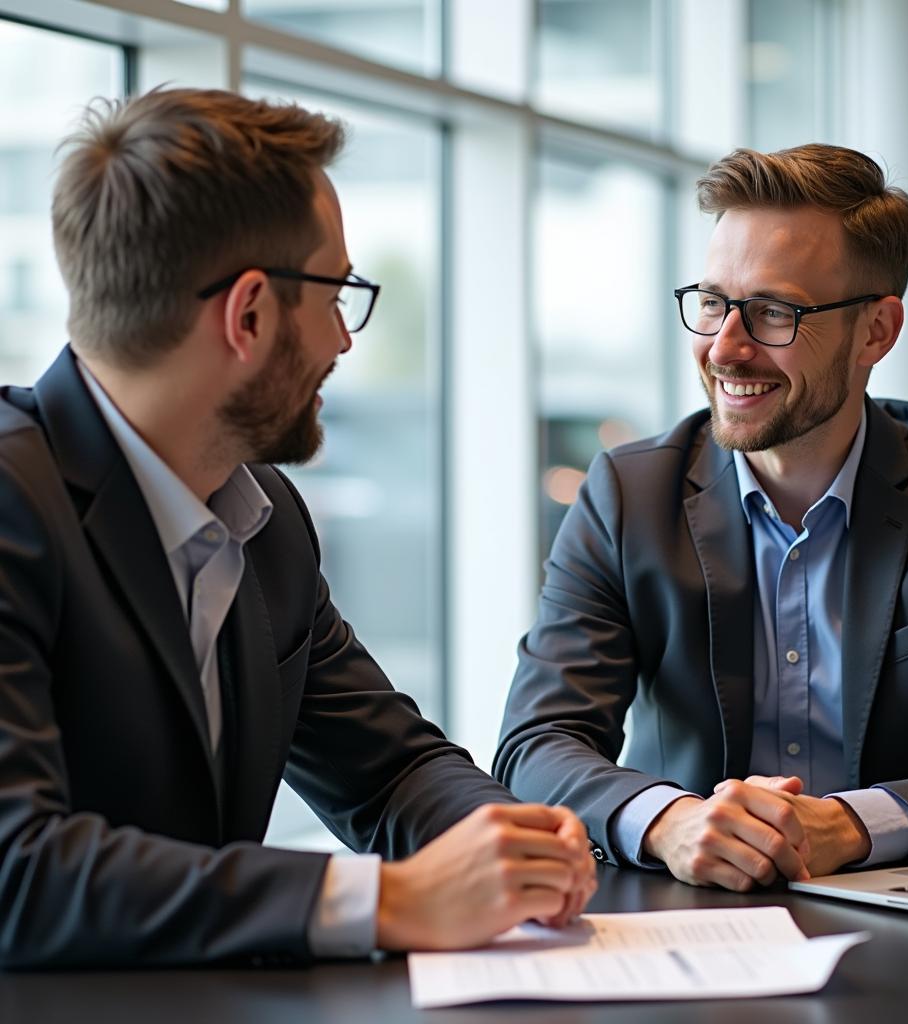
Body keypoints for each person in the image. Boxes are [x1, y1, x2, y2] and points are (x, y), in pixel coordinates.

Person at [0, 87, 595, 969]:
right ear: (248, 314)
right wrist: (388, 899)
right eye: (338, 294)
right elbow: (19, 873)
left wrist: (503, 837)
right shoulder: (15, 503)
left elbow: (387, 767)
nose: (344, 342)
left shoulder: (262, 518)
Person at [494, 143, 908, 893]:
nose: (725, 347)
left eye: (774, 311)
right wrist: (670, 820)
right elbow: (535, 743)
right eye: (713, 302)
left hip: (900, 912)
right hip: (685, 907)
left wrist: (851, 823)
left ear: (876, 330)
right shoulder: (627, 492)